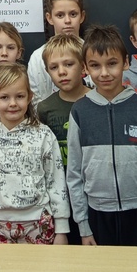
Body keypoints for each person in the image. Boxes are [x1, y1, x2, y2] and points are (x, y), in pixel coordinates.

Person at [67, 25, 137, 246]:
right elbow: (74, 174)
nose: (104, 73)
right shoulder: (80, 111)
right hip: (98, 213)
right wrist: (83, 227)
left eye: (112, 63)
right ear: (85, 68)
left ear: (126, 63)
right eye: (95, 65)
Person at [0, 63, 70, 244]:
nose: (13, 103)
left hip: (38, 224)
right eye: (4, 97)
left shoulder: (43, 135)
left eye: (20, 96)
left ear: (30, 96)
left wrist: (62, 229)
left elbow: (56, 182)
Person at [37, 34, 90, 244]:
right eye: (54, 67)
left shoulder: (96, 101)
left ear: (83, 66)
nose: (61, 72)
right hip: (60, 196)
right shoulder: (45, 108)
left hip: (93, 193)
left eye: (69, 64)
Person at [27, 0, 90, 105]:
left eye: (73, 14)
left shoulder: (92, 52)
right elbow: (36, 102)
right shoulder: (37, 58)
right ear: (49, 18)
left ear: (82, 16)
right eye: (60, 15)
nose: (67, 20)